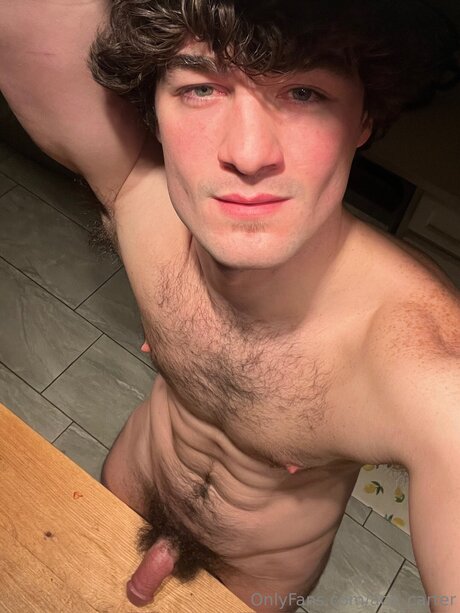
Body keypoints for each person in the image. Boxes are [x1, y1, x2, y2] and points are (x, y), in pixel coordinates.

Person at [1, 1, 459, 611]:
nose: (247, 153)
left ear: (364, 118)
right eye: (200, 88)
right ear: (153, 109)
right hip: (124, 495)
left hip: (254, 584)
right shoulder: (139, 199)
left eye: (304, 92)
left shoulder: (422, 357)